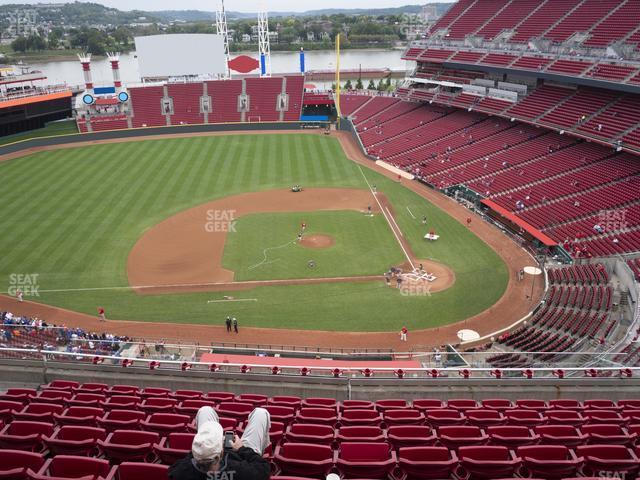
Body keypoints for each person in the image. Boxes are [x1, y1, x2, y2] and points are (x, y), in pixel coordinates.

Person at [169, 406, 271, 480]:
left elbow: (173, 469)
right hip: (242, 457)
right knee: (260, 413)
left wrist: (202, 447)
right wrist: (241, 449)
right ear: (221, 453)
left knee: (205, 410)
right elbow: (264, 467)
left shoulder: (182, 472)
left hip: (205, 458)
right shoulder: (242, 472)